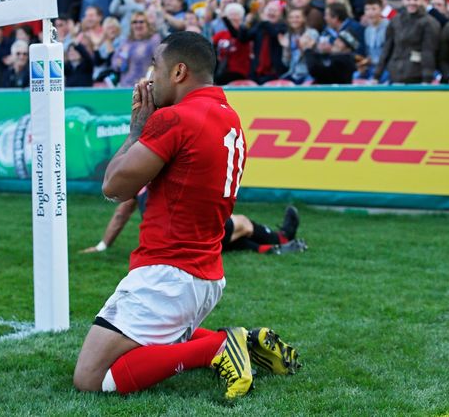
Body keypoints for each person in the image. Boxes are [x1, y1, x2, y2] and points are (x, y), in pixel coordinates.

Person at [73, 31, 300, 399]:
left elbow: (114, 187)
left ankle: (217, 348)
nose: (149, 77)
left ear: (178, 72)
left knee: (92, 377)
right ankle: (245, 341)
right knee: (146, 341)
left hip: (166, 275)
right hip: (203, 274)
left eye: (154, 67)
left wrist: (136, 131)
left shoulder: (175, 119)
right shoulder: (230, 118)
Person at [82, 187, 306, 255]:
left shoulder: (138, 181)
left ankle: (267, 249)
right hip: (194, 232)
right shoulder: (169, 168)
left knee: (226, 239)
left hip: (165, 244)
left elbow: (121, 214)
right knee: (243, 224)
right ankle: (282, 237)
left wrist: (102, 246)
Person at [374, 0, 440, 84]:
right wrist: (376, 76)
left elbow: (429, 52)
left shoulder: (430, 23)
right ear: (403, 0)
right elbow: (387, 49)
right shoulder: (395, 21)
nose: (412, 2)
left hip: (417, 78)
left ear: (422, 0)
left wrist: (427, 79)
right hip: (395, 75)